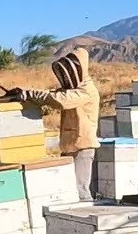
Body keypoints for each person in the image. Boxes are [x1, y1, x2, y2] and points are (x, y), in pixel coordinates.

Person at [16, 47, 100, 200]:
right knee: (68, 190)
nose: (67, 76)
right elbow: (53, 95)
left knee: (80, 190)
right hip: (69, 145)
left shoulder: (87, 90)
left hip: (83, 147)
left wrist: (31, 94)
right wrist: (27, 94)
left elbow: (60, 100)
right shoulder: (73, 89)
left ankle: (87, 213)